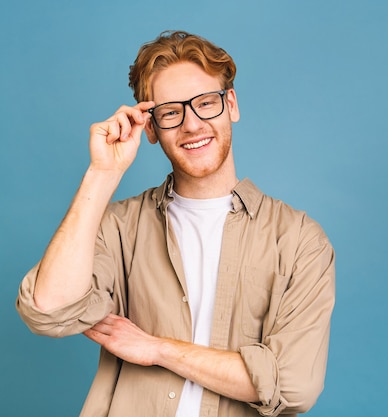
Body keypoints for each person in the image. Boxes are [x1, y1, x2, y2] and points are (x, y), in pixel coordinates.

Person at [16, 30, 335, 417]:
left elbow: (293, 384)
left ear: (230, 104)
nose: (192, 124)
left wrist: (157, 349)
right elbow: (48, 310)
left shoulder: (300, 240)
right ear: (150, 128)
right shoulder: (120, 228)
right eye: (170, 112)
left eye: (206, 103)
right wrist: (103, 172)